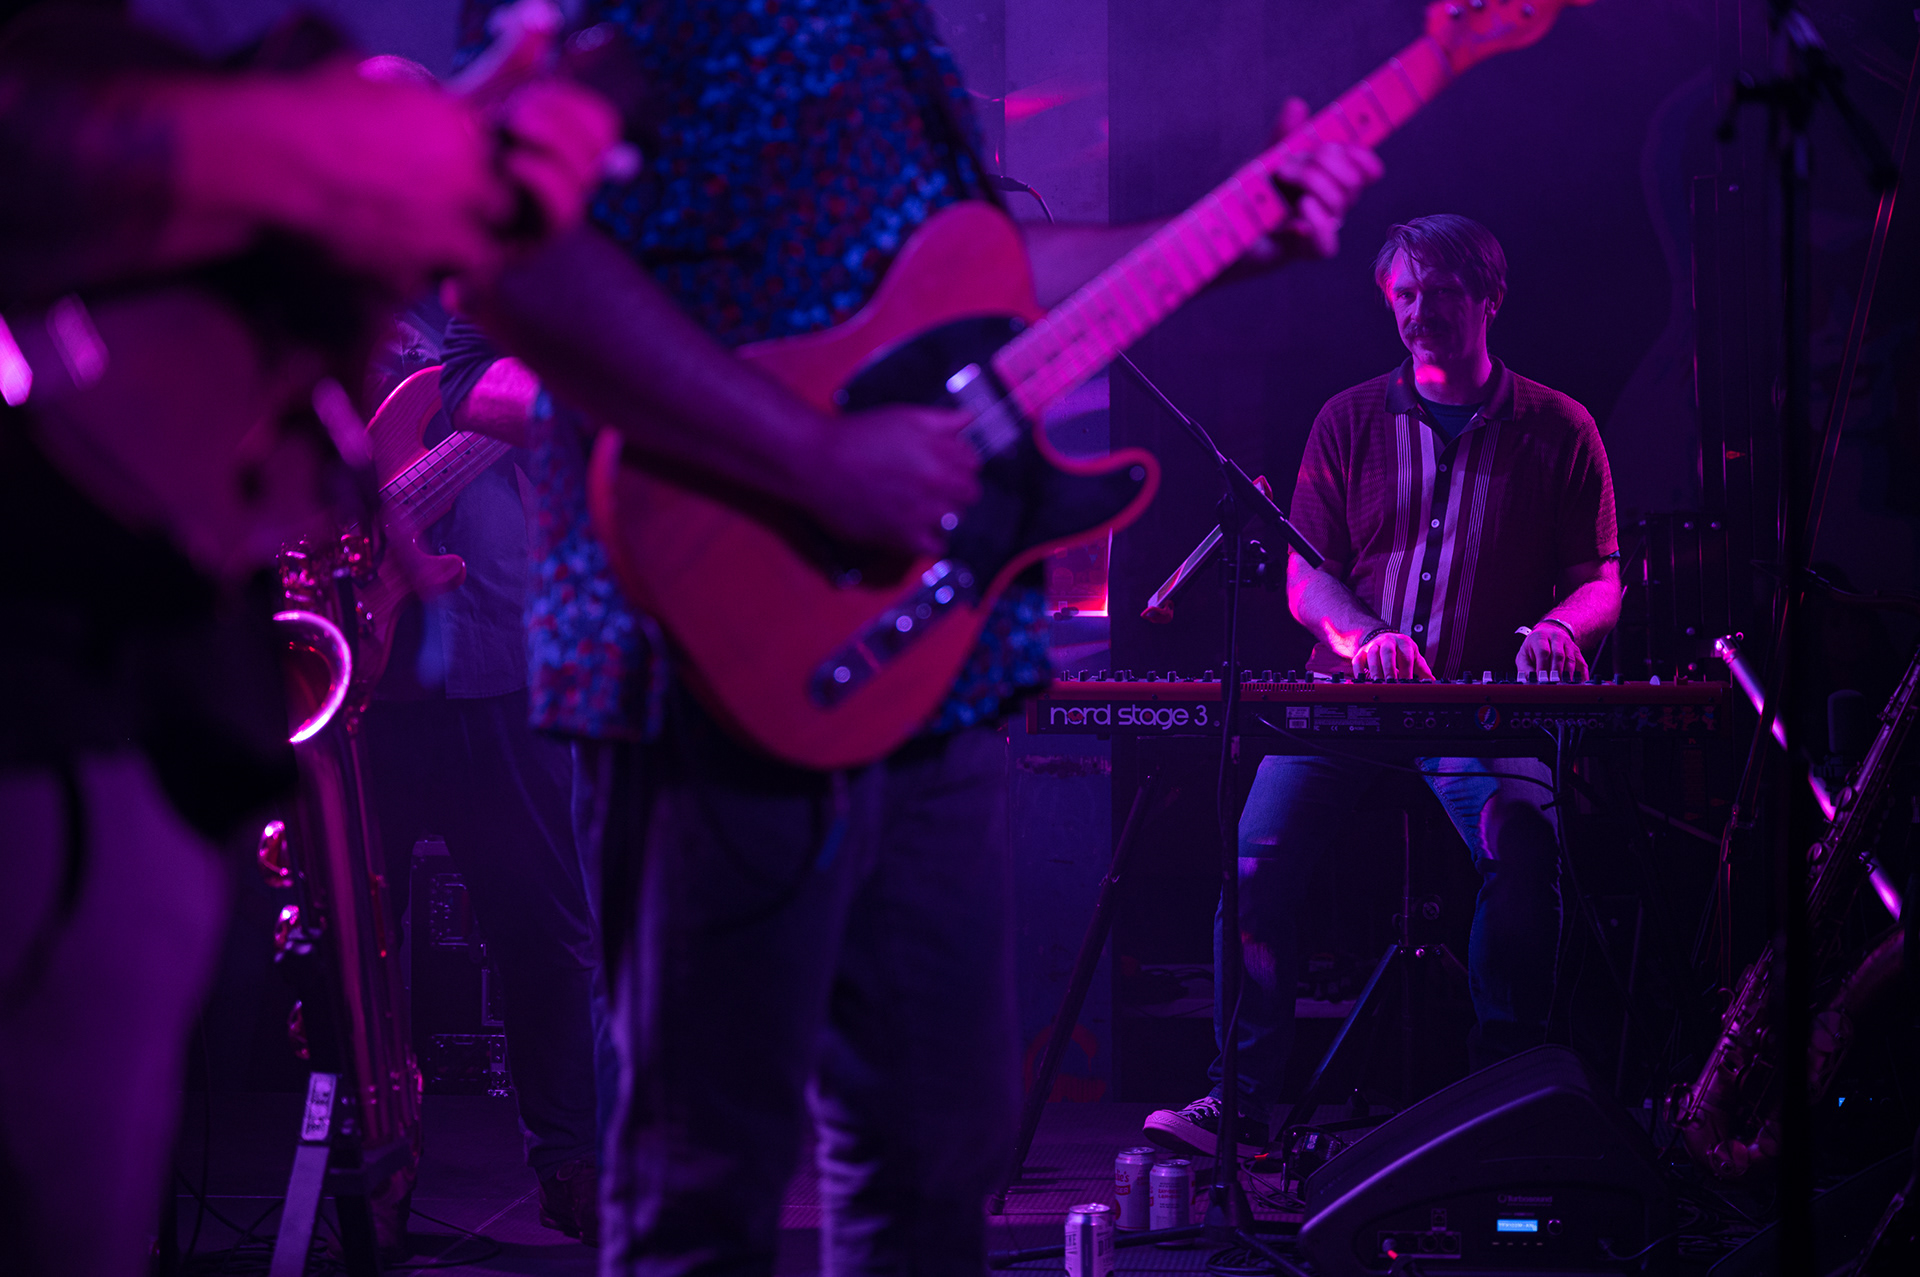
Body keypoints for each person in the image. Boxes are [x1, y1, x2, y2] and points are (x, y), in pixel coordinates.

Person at [440, 3, 1381, 1273]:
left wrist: (1215, 241)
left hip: (934, 655)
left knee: (937, 1161)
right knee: (702, 1182)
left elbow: (973, 270)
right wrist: (813, 455)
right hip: (703, 660)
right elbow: (509, 253)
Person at [0, 7, 618, 1275]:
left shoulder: (421, 290)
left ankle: (559, 1162)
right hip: (98, 707)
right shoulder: (123, 168)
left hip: (400, 665)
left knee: (537, 924)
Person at [1144, 214, 1622, 1159]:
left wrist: (1563, 628)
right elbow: (1306, 576)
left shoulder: (1560, 427)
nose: (1417, 311)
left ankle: (1506, 1102)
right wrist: (1362, 637)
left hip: (1476, 714)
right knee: (1252, 864)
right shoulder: (1348, 419)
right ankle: (1240, 1105)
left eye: (1439, 292)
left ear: (1490, 298)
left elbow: (1601, 580)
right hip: (1343, 705)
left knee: (1524, 850)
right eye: (1403, 294)